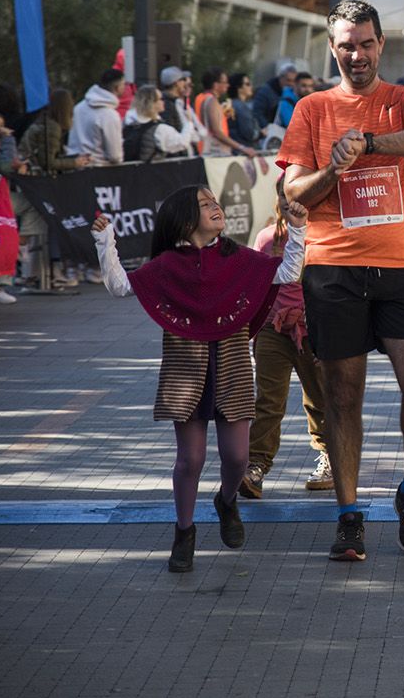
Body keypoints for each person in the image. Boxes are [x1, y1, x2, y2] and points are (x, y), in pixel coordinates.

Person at [278, 0, 404, 561]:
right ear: (333, 49)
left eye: (367, 43)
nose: (357, 54)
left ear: (381, 44)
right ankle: (349, 515)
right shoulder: (311, 108)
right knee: (341, 395)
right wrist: (335, 166)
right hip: (334, 268)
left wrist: (371, 143)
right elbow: (293, 193)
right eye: (346, 45)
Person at [91, 185, 308, 572]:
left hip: (234, 364)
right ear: (184, 220)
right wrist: (104, 240)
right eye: (205, 204)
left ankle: (226, 501)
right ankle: (184, 531)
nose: (216, 207)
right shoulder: (167, 265)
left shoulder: (238, 257)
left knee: (237, 458)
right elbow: (120, 285)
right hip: (185, 368)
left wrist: (299, 229)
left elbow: (288, 271)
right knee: (190, 459)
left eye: (215, 202)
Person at [240, 180, 334, 499]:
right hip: (272, 329)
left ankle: (329, 459)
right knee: (268, 400)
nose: (287, 201)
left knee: (320, 398)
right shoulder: (266, 238)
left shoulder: (322, 236)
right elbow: (253, 287)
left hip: (314, 330)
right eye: (282, 195)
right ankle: (255, 465)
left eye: (294, 195)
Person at [69, 69, 126, 165]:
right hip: (99, 169)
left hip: (75, 164)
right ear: (117, 87)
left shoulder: (79, 107)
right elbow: (115, 156)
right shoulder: (110, 115)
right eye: (124, 84)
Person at [196, 70, 257, 158]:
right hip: (215, 154)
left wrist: (222, 116)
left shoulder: (203, 98)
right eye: (225, 82)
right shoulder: (212, 101)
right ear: (215, 85)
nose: (228, 85)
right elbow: (217, 132)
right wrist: (242, 147)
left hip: (210, 153)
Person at [123, 87, 192, 161]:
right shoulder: (160, 129)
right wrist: (189, 123)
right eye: (160, 99)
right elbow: (182, 142)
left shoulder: (127, 123)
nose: (163, 102)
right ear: (152, 103)